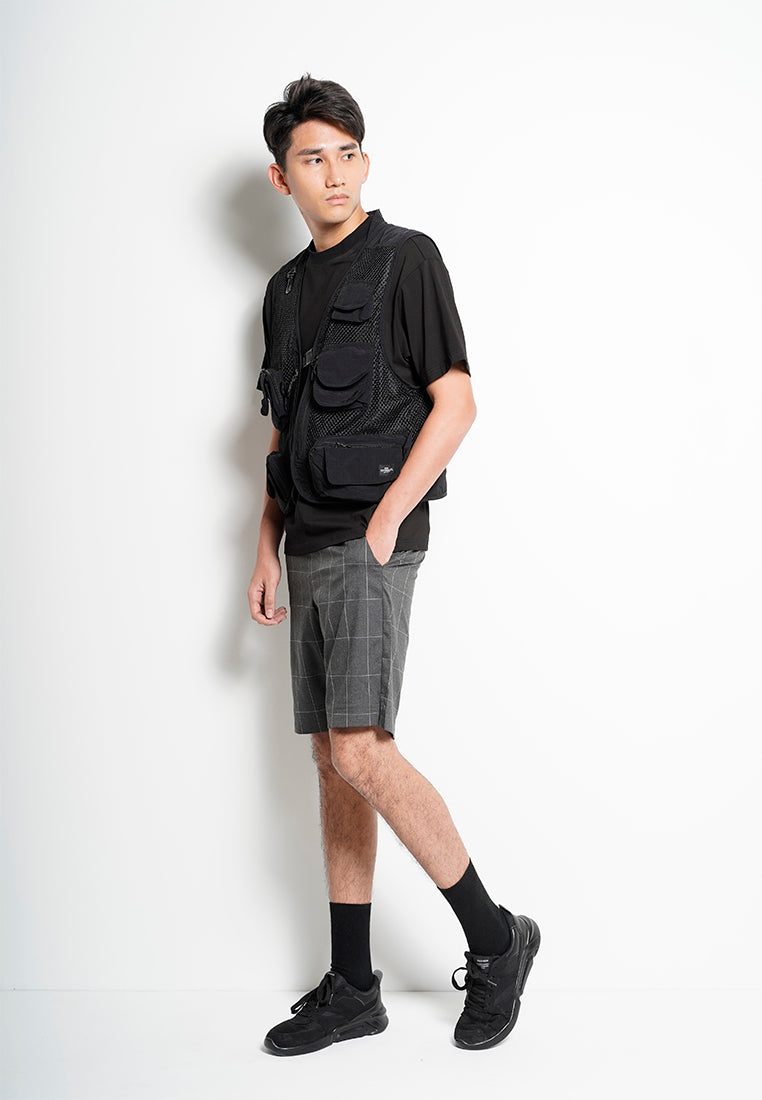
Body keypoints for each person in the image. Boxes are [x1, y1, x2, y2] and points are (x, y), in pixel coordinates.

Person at [248, 75, 540, 1056]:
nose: (333, 173)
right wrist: (264, 545)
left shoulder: (406, 259)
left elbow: (456, 401)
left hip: (371, 541)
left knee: (363, 749)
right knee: (334, 761)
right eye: (312, 158)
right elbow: (282, 432)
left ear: (365, 161)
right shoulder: (285, 292)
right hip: (305, 541)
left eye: (347, 154)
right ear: (282, 176)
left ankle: (497, 940)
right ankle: (354, 986)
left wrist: (385, 520)